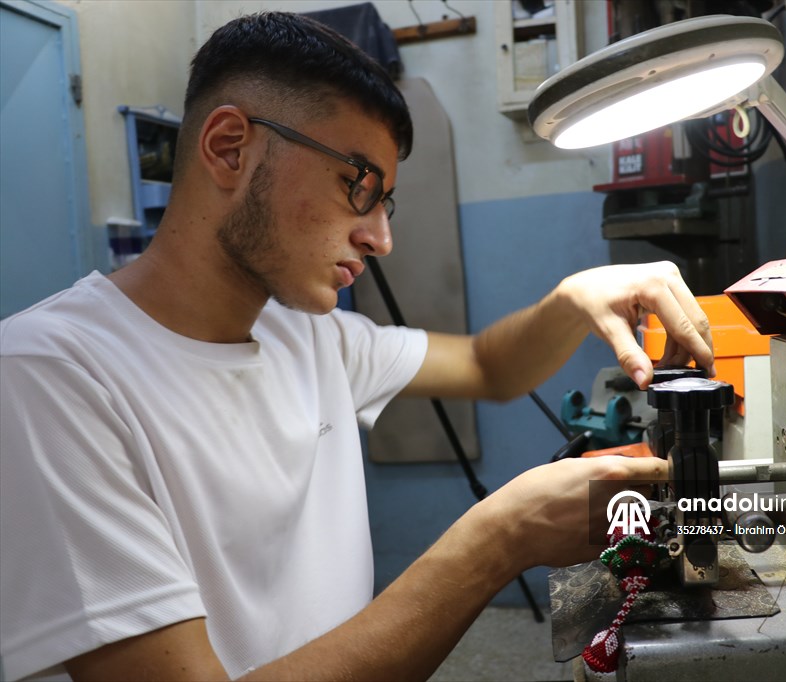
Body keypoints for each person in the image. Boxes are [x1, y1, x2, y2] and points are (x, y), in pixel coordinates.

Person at [0, 12, 714, 681]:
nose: (380, 238)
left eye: (385, 201)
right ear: (229, 148)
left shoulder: (307, 334)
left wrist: (573, 299)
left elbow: (490, 367)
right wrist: (502, 537)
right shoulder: (51, 375)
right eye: (359, 185)